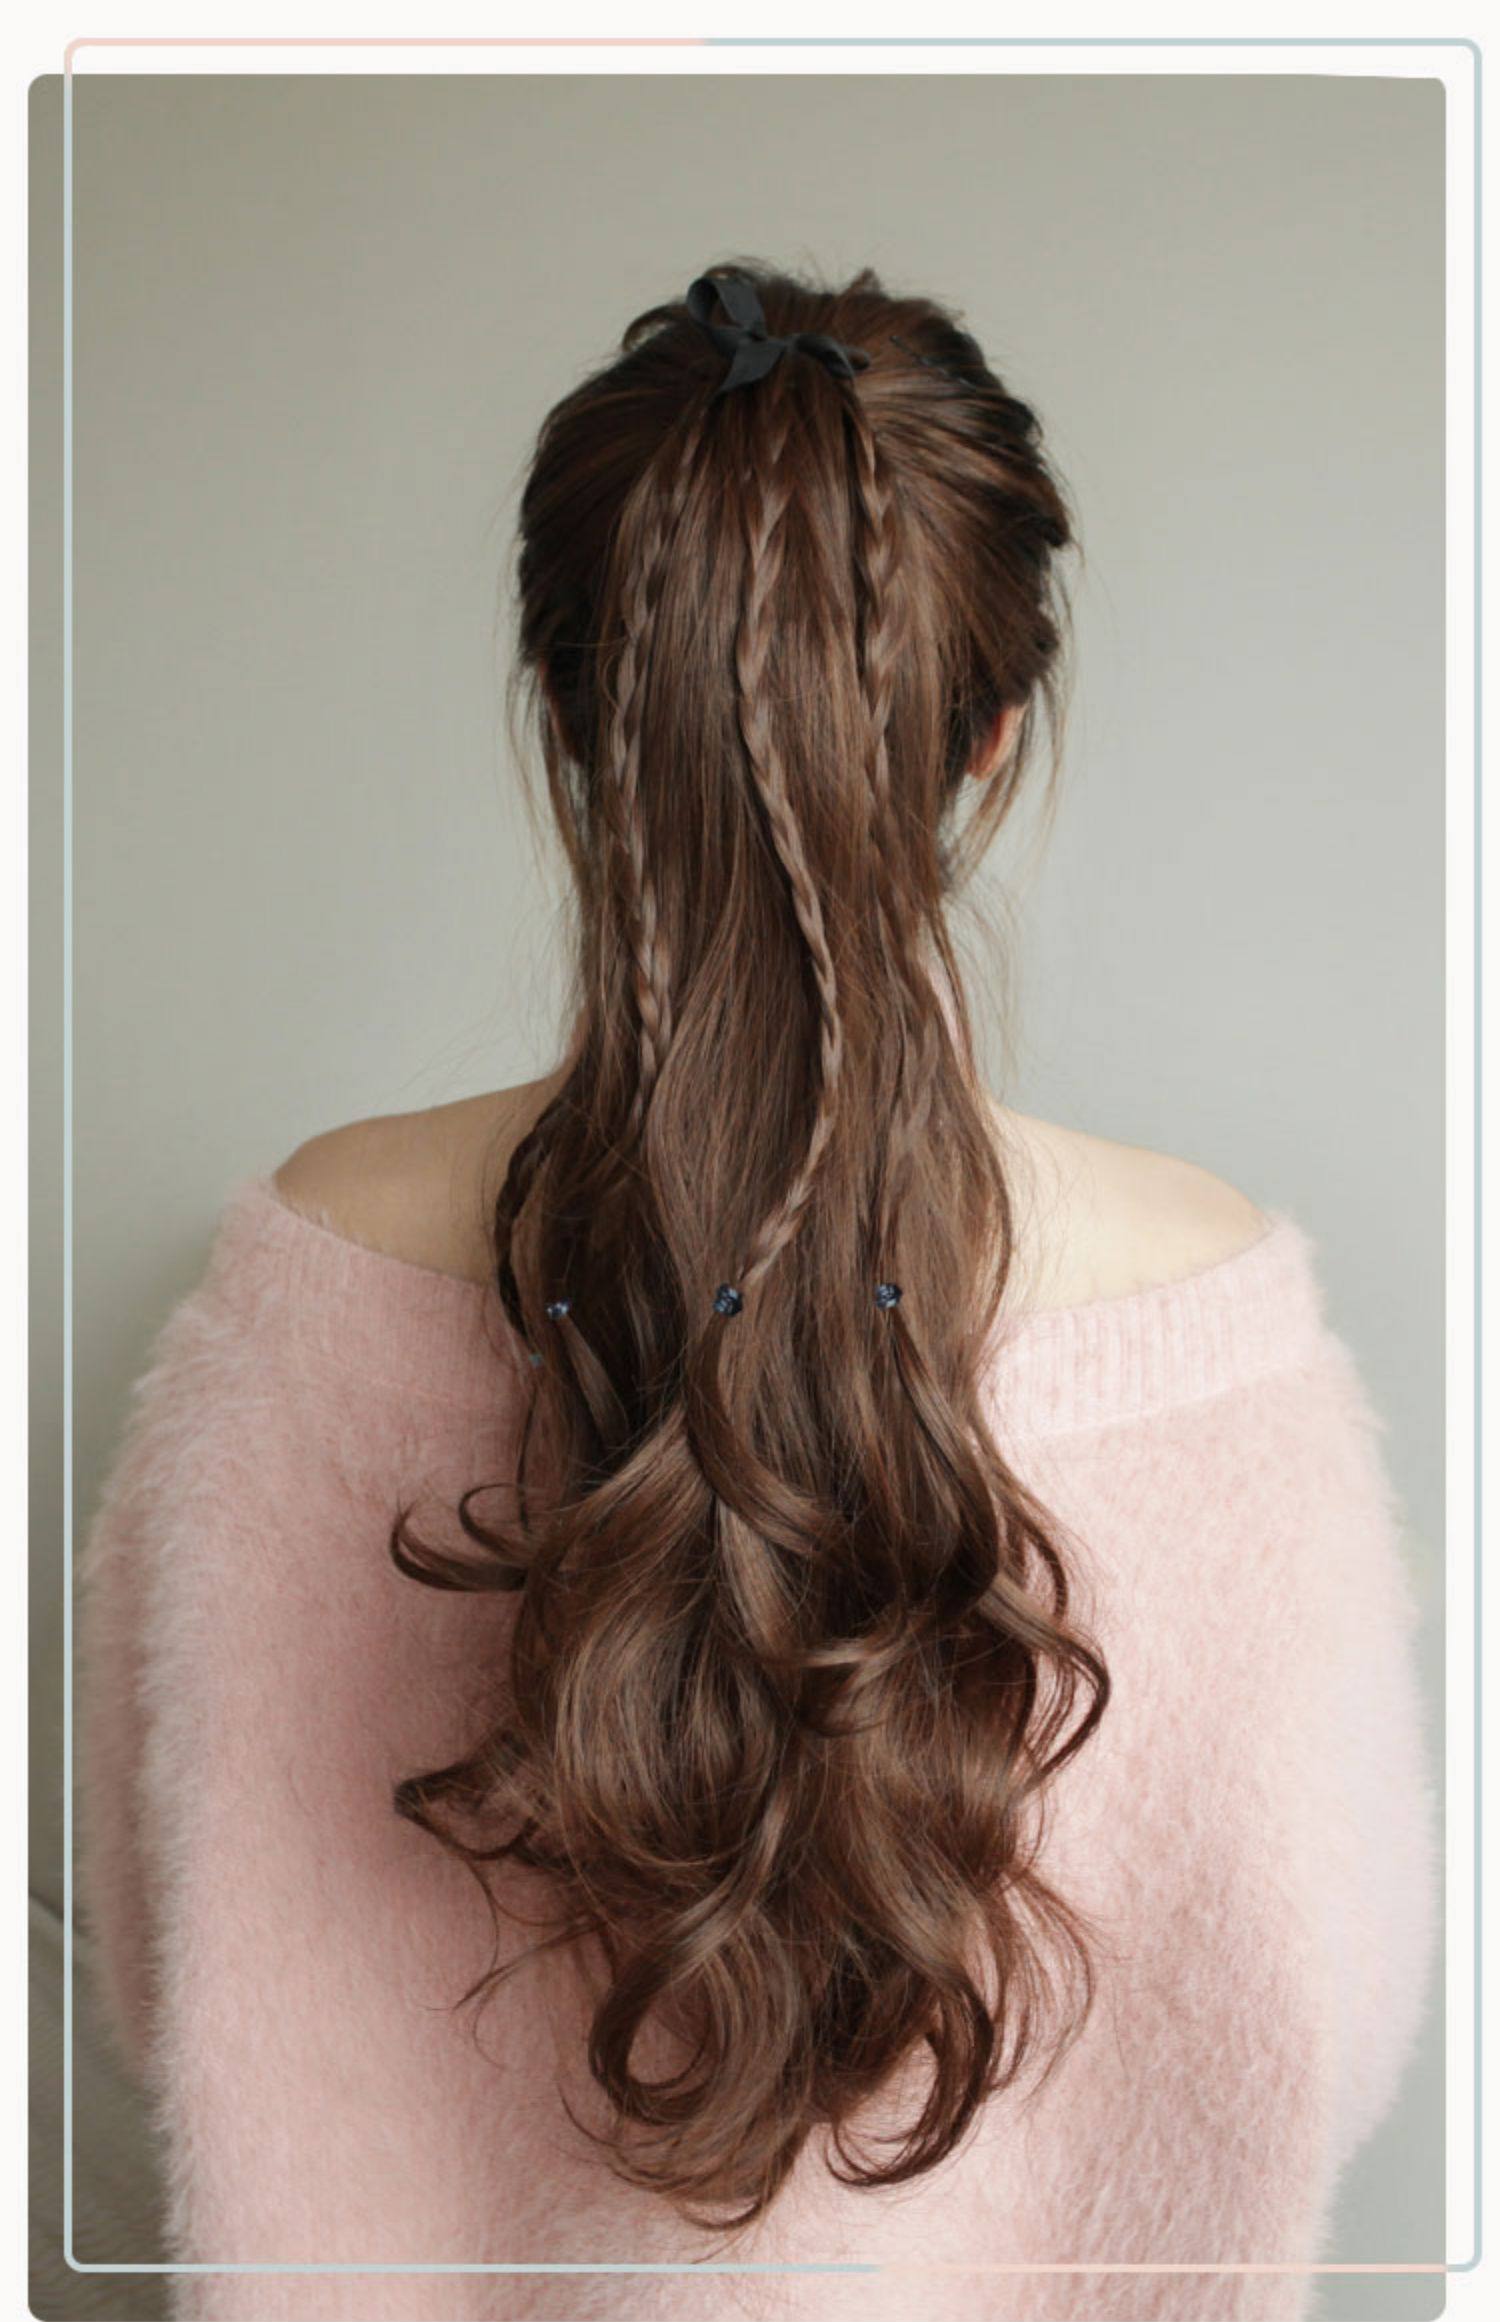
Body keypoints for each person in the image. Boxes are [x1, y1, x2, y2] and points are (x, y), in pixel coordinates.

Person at [76, 261, 1437, 2321]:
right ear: (992, 737)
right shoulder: (1214, 1330)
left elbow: (157, 1974)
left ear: (568, 718)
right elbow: (1327, 2036)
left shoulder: (300, 1286)